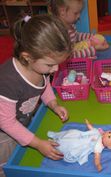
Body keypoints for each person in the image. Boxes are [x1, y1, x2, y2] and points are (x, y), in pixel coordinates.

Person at [0, 14, 72, 177]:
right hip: (3, 134)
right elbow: (7, 122)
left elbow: (43, 85)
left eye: (58, 64)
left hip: (20, 122)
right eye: (50, 65)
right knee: (7, 164)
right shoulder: (8, 82)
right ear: (27, 57)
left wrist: (53, 104)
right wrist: (38, 144)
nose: (55, 70)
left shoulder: (39, 67)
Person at [47, 119, 111, 171]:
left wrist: (98, 165)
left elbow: (97, 157)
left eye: (109, 136)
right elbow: (92, 129)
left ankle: (53, 144)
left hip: (81, 144)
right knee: (71, 133)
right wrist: (88, 124)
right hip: (80, 136)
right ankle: (56, 136)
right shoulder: (100, 133)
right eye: (110, 132)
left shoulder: (99, 147)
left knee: (70, 144)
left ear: (109, 146)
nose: (108, 133)